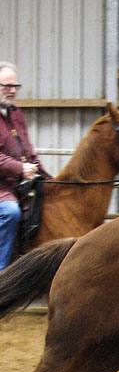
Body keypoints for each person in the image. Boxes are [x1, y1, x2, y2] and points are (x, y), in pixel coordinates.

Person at [0, 61, 49, 270]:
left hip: (18, 184)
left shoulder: (16, 114)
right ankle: (2, 274)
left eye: (15, 86)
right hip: (2, 188)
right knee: (10, 212)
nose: (12, 91)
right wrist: (20, 169)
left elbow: (27, 148)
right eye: (6, 86)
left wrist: (42, 172)